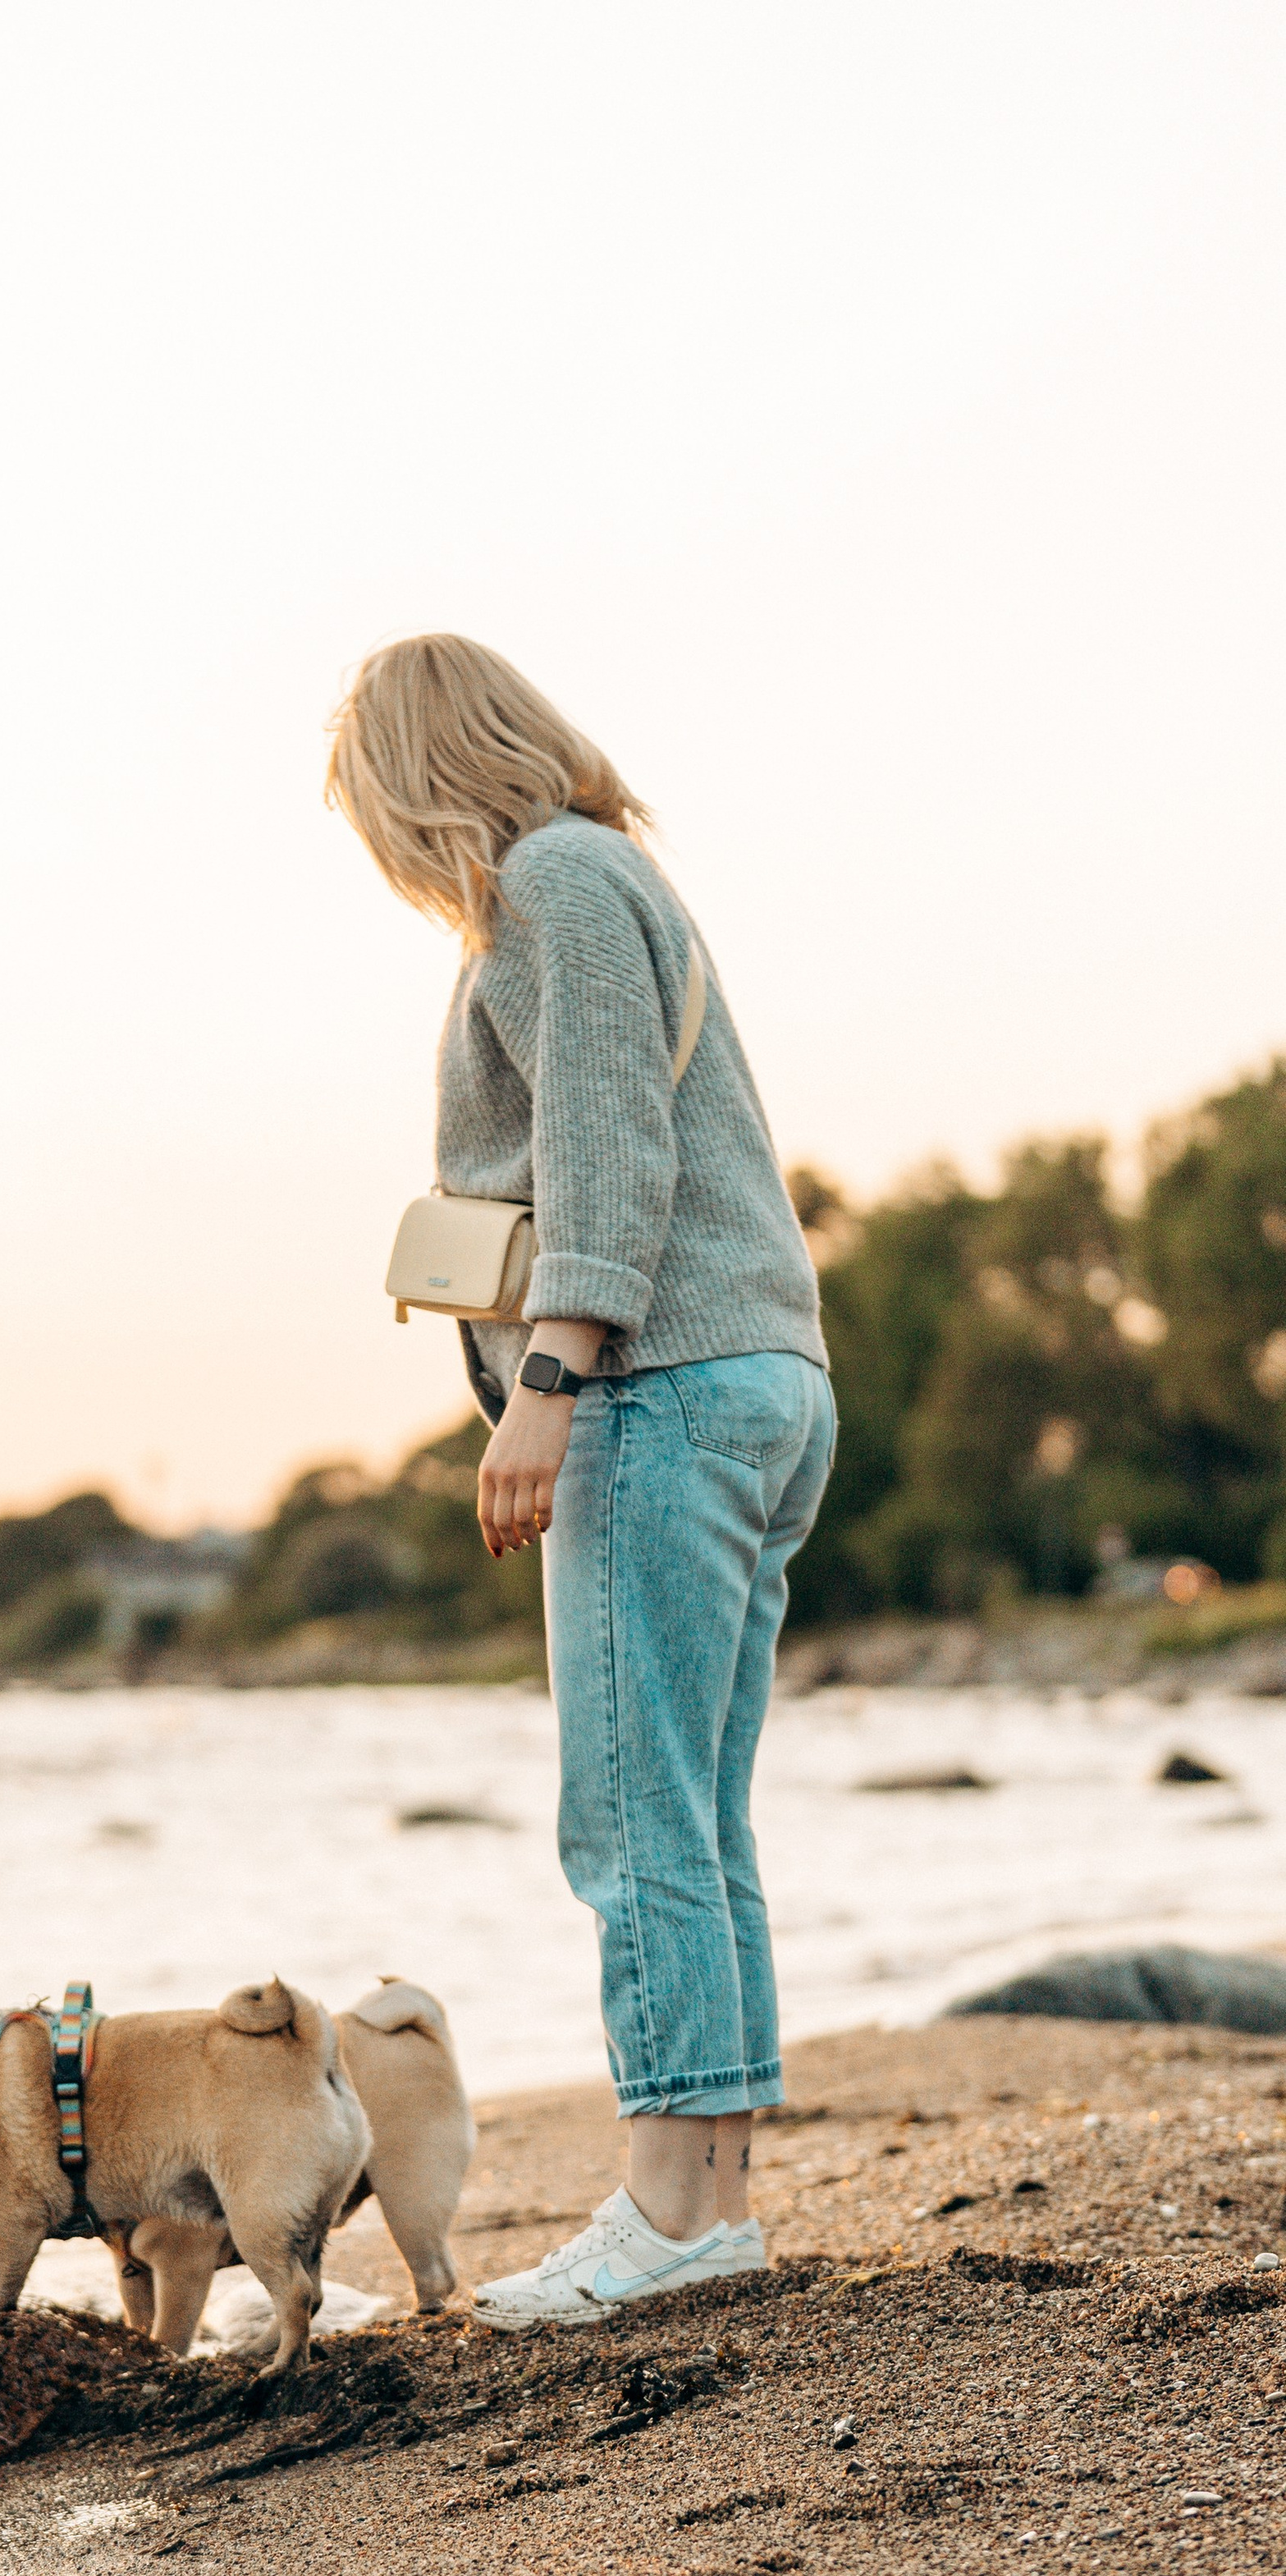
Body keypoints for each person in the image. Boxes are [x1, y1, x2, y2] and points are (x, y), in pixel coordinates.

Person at [327, 635, 832, 2324]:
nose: (392, 864)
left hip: (659, 1386)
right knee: (694, 1811)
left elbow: (607, 1139)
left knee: (626, 1818)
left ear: (421, 782)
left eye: (380, 821)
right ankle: (711, 2199)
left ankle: (664, 2213)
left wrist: (547, 1380)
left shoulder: (547, 883)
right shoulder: (621, 878)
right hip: (758, 1375)